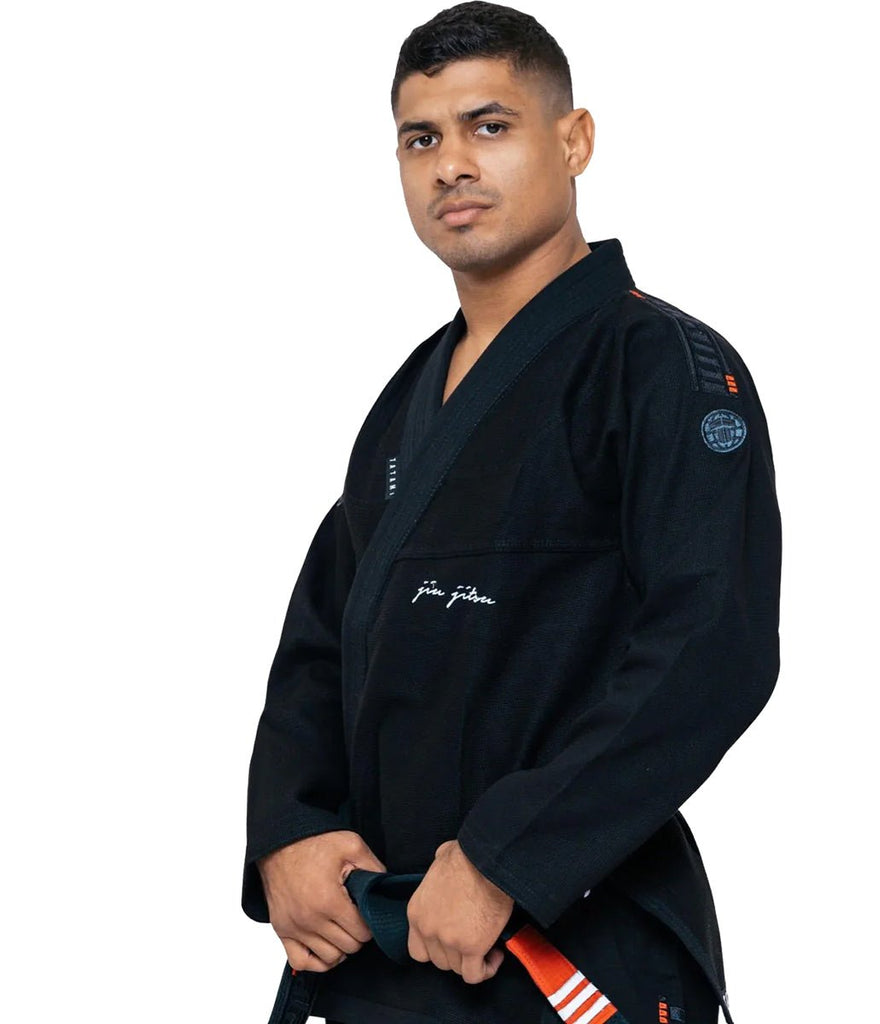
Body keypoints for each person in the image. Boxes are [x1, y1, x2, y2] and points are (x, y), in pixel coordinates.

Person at [242, 3, 782, 1022]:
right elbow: (320, 636)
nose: (452, 164)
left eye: (488, 126)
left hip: (562, 936)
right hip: (380, 940)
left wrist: (506, 858)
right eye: (421, 139)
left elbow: (713, 646)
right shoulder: (408, 400)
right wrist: (288, 829)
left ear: (573, 141)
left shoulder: (662, 367)